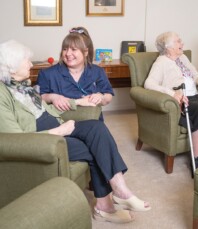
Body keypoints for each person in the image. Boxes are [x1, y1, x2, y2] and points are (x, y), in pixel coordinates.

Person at [0, 40, 151, 224]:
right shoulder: (2, 95)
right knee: (94, 148)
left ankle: (120, 190)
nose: (32, 64)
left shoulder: (22, 85)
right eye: (27, 61)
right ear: (12, 67)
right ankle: (106, 205)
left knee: (97, 127)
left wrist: (77, 103)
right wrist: (59, 131)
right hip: (47, 139)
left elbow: (44, 107)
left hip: (58, 123)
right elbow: (17, 141)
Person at [144, 31, 198, 168]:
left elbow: (195, 75)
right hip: (183, 101)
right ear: (168, 46)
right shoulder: (162, 62)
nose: (182, 43)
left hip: (196, 97)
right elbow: (149, 84)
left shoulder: (182, 57)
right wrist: (172, 94)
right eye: (178, 41)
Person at [37, 27, 113, 121]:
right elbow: (38, 98)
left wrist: (100, 96)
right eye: (65, 49)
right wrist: (53, 97)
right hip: (60, 122)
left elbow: (108, 96)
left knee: (102, 134)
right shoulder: (47, 74)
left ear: (85, 52)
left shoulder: (97, 71)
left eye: (73, 49)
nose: (68, 53)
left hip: (91, 121)